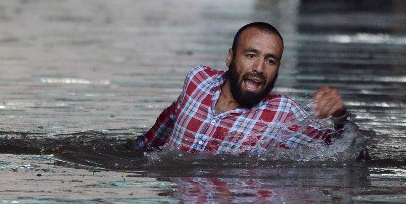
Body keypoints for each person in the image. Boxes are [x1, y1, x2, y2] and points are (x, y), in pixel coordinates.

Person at [136, 22, 355, 154]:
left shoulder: (283, 114)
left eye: (270, 61)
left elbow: (350, 154)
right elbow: (169, 121)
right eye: (251, 56)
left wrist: (341, 116)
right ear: (230, 57)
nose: (259, 68)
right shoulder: (198, 80)